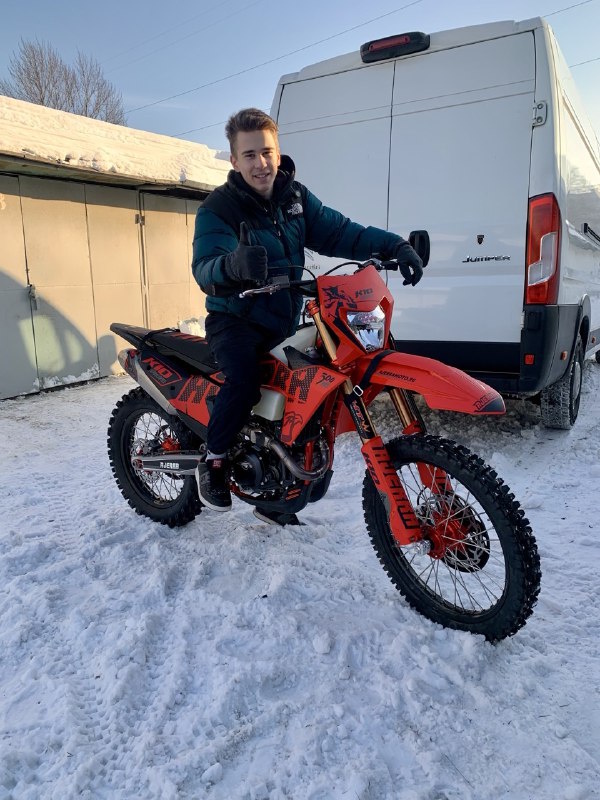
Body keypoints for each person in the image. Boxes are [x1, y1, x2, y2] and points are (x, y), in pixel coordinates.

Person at [191, 107, 423, 516]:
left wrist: (394, 245)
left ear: (278, 152)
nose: (261, 164)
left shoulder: (294, 198)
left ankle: (279, 490)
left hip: (283, 318)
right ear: (234, 160)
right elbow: (205, 267)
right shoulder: (218, 209)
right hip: (235, 319)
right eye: (249, 155)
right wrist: (233, 266)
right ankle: (213, 460)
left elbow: (341, 232)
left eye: (267, 152)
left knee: (313, 392)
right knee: (244, 381)